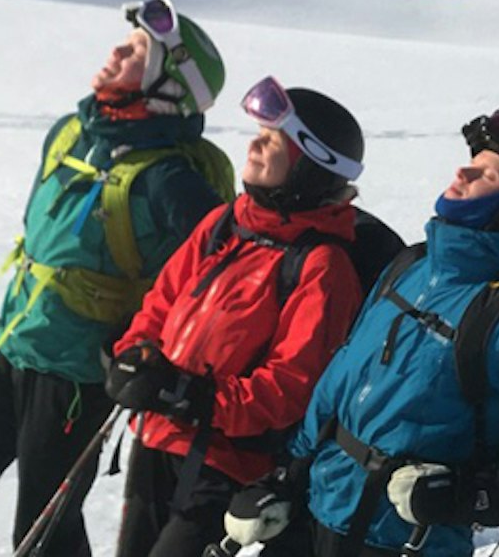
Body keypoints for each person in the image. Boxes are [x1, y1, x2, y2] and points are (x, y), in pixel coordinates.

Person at [0, 0, 233, 557]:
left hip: (78, 380)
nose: (115, 52)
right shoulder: (69, 134)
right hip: (11, 347)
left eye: (135, 52)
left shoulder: (171, 183)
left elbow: (218, 285)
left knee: (42, 536)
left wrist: (154, 355)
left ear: (166, 85)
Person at [223, 106, 499, 557]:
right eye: (471, 161)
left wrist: (471, 495)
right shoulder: (412, 266)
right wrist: (288, 474)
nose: (463, 170)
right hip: (317, 513)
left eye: (488, 173)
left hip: (406, 542)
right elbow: (341, 379)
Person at [106, 76, 370, 557]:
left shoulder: (322, 267)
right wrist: (136, 354)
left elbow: (291, 388)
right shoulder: (225, 223)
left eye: (272, 140)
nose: (254, 144)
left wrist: (193, 396)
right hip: (157, 438)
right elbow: (161, 303)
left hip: (222, 464)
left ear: (310, 166)